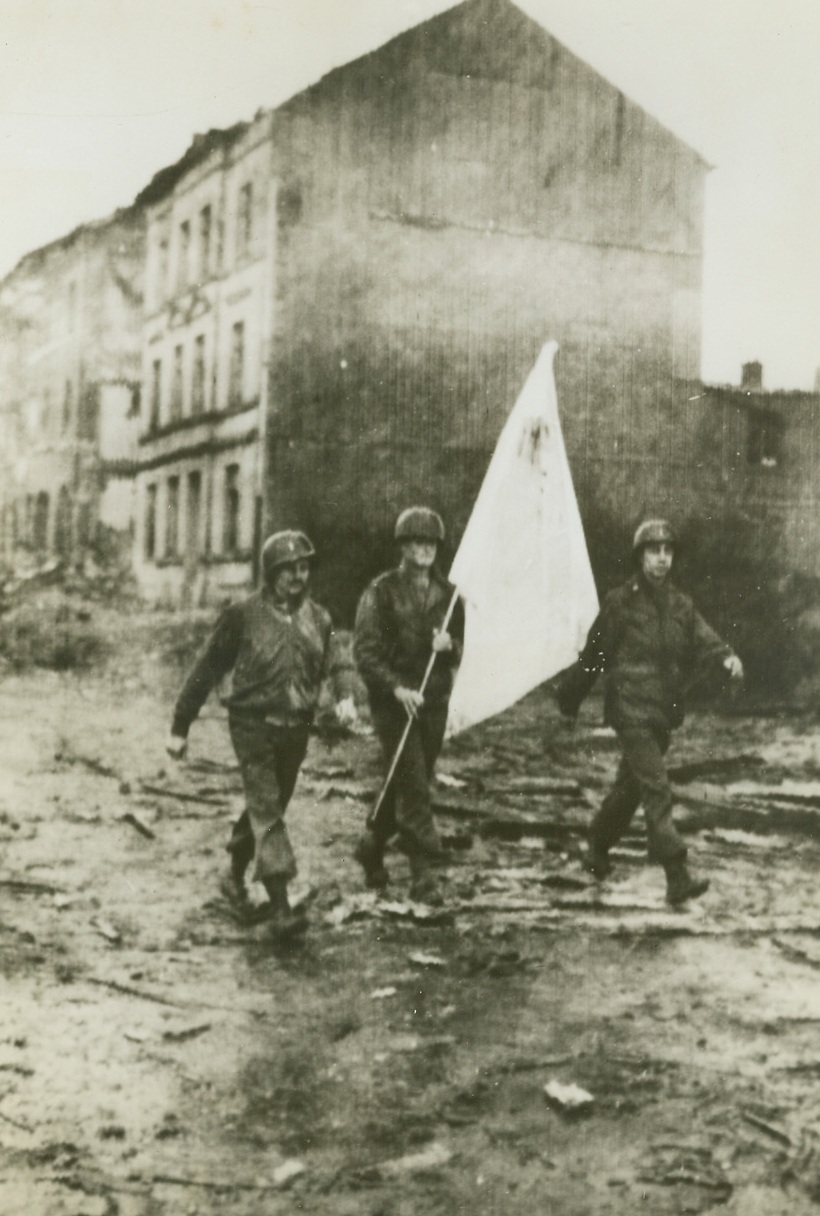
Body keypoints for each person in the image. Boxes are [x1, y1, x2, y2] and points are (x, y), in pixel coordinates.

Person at [166, 530, 357, 939]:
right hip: (251, 725)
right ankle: (281, 905)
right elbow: (206, 668)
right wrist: (181, 726)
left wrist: (345, 696)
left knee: (271, 803)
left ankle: (234, 870)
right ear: (270, 574)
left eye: (303, 568)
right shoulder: (243, 615)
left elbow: (339, 661)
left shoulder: (319, 618)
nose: (297, 577)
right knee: (267, 807)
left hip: (296, 728)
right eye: (288, 570)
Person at [557, 519, 743, 906]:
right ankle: (676, 874)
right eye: (653, 551)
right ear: (639, 557)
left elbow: (705, 638)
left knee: (629, 789)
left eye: (667, 551)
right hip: (629, 707)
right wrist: (569, 700)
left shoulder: (681, 605)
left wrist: (726, 656)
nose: (661, 558)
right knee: (657, 786)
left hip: (662, 711)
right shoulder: (620, 603)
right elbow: (593, 657)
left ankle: (596, 848)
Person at [353, 507, 464, 906]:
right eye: (416, 542)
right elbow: (365, 652)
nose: (424, 549)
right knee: (415, 785)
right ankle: (423, 875)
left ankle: (372, 844)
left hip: (433, 703)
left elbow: (463, 647)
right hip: (395, 706)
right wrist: (396, 688)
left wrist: (449, 646)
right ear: (402, 546)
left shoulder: (450, 596)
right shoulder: (381, 592)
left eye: (430, 542)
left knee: (408, 778)